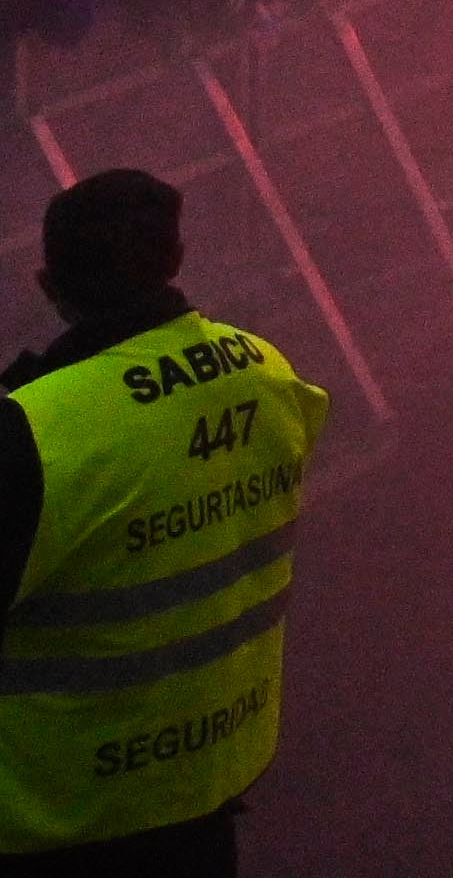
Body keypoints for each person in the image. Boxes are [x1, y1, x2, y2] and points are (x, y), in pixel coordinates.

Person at [0, 165, 321, 869]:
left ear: (49, 287)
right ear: (176, 258)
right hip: (200, 794)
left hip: (60, 820)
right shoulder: (269, 373)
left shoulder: (35, 434)